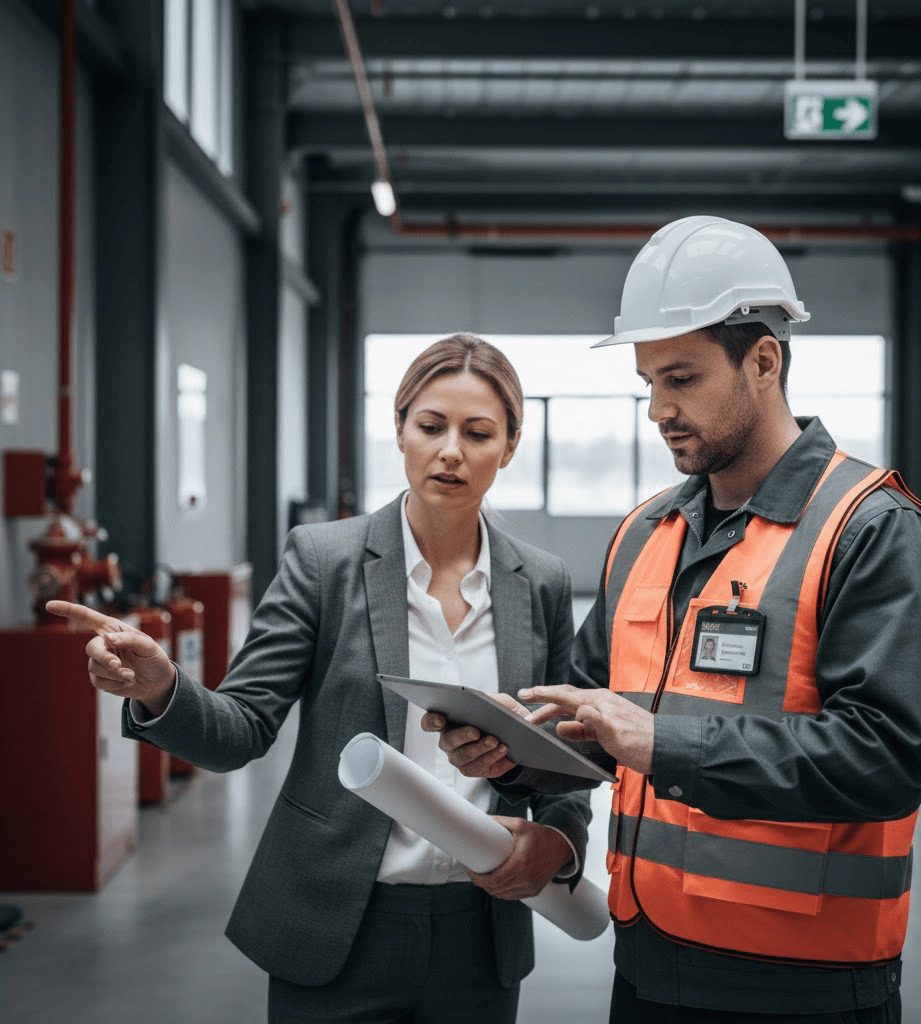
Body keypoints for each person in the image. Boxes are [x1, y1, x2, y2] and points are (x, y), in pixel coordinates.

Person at [436, 217, 921, 1023]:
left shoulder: (871, 530)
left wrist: (661, 739)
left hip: (804, 990)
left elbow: (886, 758)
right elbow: (591, 725)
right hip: (646, 968)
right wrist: (512, 752)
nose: (657, 410)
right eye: (648, 381)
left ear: (763, 360)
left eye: (681, 379)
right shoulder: (647, 533)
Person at [49, 334, 591, 1024]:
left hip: (480, 935)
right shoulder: (324, 562)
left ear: (509, 447)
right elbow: (240, 730)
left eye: (477, 432)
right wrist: (161, 688)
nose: (450, 449)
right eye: (430, 426)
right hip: (338, 922)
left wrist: (559, 840)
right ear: (399, 429)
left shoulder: (540, 584)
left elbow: (565, 764)